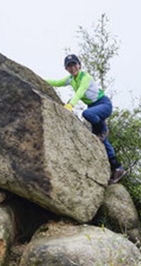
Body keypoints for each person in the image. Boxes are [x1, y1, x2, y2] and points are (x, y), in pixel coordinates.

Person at [46, 54, 126, 184]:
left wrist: (70, 105)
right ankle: (117, 167)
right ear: (66, 69)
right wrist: (37, 78)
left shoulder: (86, 77)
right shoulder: (70, 79)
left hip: (103, 105)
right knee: (101, 141)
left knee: (87, 114)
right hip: (94, 108)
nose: (72, 68)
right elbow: (56, 83)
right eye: (69, 66)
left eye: (74, 64)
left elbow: (80, 92)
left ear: (79, 65)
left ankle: (102, 128)